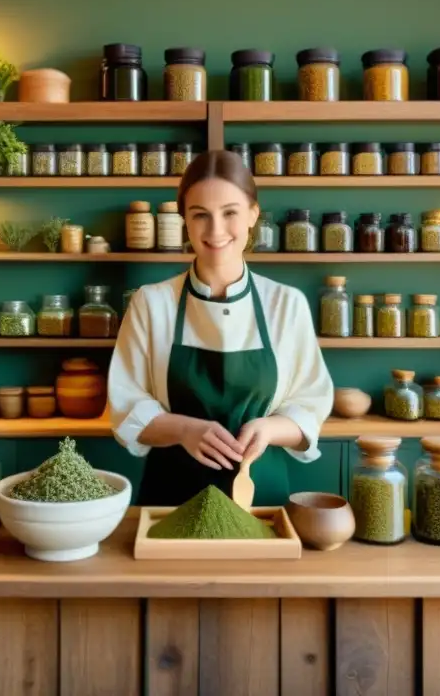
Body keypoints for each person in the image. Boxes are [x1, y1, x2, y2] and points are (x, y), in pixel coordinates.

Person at [108, 150, 334, 506]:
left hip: (261, 493)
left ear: (252, 215)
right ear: (185, 220)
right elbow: (126, 409)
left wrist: (269, 429)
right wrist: (184, 429)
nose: (215, 231)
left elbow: (310, 406)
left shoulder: (286, 305)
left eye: (230, 212)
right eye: (200, 215)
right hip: (171, 495)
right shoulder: (151, 304)